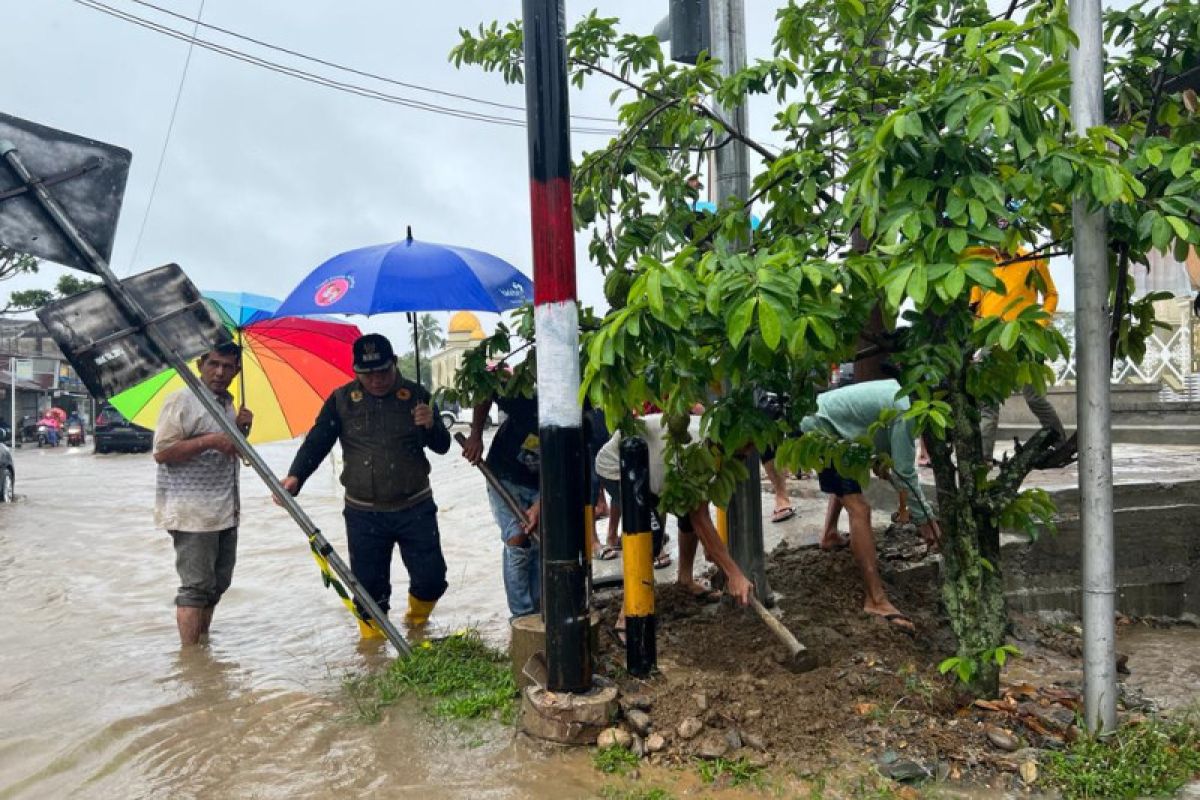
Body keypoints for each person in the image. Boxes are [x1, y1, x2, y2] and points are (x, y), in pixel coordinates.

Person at [280, 334, 451, 638]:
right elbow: (317, 442)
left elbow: (442, 446)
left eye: (383, 371)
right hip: (364, 514)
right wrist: (295, 477)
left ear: (394, 364)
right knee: (370, 593)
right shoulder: (341, 400)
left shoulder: (417, 395)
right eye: (367, 373)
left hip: (416, 507)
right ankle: (372, 656)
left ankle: (415, 626)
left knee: (432, 579)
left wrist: (431, 425)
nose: (376, 380)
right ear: (356, 370)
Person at [800, 379, 942, 635]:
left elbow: (883, 456)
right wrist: (926, 522)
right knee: (860, 509)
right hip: (821, 430)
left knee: (849, 481)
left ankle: (830, 534)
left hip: (827, 424)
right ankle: (875, 600)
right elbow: (905, 473)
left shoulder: (902, 394)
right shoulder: (907, 412)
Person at [595, 410, 754, 610]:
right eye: (747, 445)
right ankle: (628, 615)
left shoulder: (716, 436)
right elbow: (701, 519)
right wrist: (734, 574)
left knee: (689, 509)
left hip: (655, 467)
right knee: (649, 534)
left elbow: (697, 512)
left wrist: (715, 550)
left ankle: (685, 580)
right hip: (618, 467)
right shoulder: (702, 451)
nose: (749, 452)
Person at [153, 343, 254, 645]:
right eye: (214, 364)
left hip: (225, 509)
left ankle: (203, 647)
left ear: (237, 370)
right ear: (200, 365)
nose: (220, 372)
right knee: (195, 588)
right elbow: (162, 452)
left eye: (228, 366)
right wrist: (208, 440)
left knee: (218, 584)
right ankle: (190, 659)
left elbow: (230, 448)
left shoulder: (229, 405)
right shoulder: (182, 401)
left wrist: (241, 431)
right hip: (191, 512)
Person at [968, 229, 1066, 460]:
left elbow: (1051, 294)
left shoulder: (1032, 260)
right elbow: (975, 307)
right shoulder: (984, 263)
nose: (999, 244)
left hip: (1024, 339)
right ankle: (983, 460)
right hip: (992, 338)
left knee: (1034, 397)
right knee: (988, 404)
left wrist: (1040, 323)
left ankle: (1060, 443)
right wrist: (976, 343)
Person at [461, 388, 542, 620]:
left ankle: (538, 612)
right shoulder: (526, 398)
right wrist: (476, 435)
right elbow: (485, 388)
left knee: (539, 543)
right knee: (517, 538)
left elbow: (568, 470)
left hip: (544, 484)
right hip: (503, 476)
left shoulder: (580, 419)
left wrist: (540, 505)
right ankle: (522, 617)